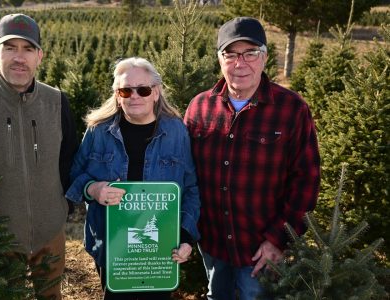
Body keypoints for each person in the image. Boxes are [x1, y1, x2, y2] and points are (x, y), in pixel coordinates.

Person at [184, 17, 320, 300]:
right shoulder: (199, 106)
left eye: (250, 53)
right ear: (220, 58)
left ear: (265, 57)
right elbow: (185, 173)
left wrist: (278, 240)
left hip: (260, 248)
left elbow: (306, 182)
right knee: (216, 295)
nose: (239, 63)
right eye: (230, 54)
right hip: (213, 242)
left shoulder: (292, 109)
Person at [0, 14, 77, 300]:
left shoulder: (57, 102)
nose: (19, 58)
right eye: (10, 48)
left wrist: (64, 209)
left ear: (40, 56)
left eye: (28, 49)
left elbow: (70, 159)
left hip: (50, 234)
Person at [65, 57, 200, 300]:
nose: (134, 96)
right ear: (118, 95)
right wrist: (93, 189)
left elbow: (190, 188)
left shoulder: (176, 132)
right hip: (111, 245)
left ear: (156, 93)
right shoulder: (98, 131)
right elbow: (75, 174)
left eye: (143, 89)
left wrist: (186, 237)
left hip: (159, 249)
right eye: (126, 90)